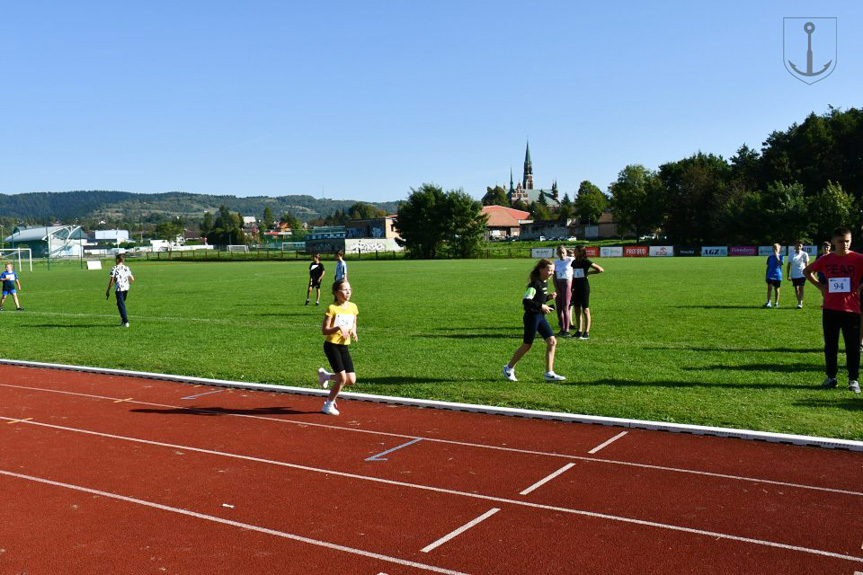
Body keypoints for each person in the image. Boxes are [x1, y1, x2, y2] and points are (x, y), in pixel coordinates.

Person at [803, 226, 863, 394]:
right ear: (833, 242)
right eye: (841, 242)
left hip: (852, 310)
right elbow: (807, 271)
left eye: (848, 241)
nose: (845, 245)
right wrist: (820, 286)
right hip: (830, 309)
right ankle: (831, 377)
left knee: (852, 347)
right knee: (831, 346)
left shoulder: (859, 258)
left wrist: (861, 287)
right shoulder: (826, 259)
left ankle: (853, 379)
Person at [502, 258, 566, 383]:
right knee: (527, 345)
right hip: (531, 317)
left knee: (552, 341)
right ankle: (508, 368)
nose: (551, 273)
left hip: (540, 317)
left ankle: (549, 373)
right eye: (549, 270)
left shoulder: (544, 283)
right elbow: (526, 301)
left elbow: (538, 299)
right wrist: (541, 306)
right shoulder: (535, 284)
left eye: (553, 271)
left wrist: (547, 298)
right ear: (541, 270)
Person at [317, 278, 359, 415]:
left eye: (349, 290)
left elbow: (354, 322)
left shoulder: (353, 307)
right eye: (344, 290)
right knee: (342, 379)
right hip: (332, 346)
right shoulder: (332, 308)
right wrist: (338, 328)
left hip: (343, 346)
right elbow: (324, 330)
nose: (348, 292)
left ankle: (326, 376)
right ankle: (328, 404)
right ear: (336, 292)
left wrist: (354, 330)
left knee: (351, 380)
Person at [570, 246, 604, 340]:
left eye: (576, 250)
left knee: (585, 309)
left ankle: (586, 332)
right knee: (577, 309)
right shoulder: (574, 262)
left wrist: (589, 273)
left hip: (584, 287)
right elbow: (573, 275)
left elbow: (600, 269)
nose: (574, 252)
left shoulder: (586, 261)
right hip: (576, 287)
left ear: (581, 252)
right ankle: (579, 331)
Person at [105, 253, 135, 327]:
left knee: (121, 305)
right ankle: (123, 321)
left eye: (116, 259)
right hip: (126, 288)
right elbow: (132, 279)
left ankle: (126, 321)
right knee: (120, 304)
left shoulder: (114, 268)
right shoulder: (126, 268)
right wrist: (127, 284)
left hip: (119, 289)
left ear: (118, 259)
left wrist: (108, 290)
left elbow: (111, 280)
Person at [553, 245, 574, 336]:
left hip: (567, 283)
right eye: (559, 253)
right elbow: (554, 276)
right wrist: (556, 288)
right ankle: (562, 327)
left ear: (566, 252)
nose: (562, 255)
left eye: (563, 253)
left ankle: (567, 329)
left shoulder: (570, 260)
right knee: (559, 308)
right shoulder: (556, 262)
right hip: (558, 284)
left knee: (566, 307)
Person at [786, 241, 810, 309]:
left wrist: (807, 274)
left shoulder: (804, 254)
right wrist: (788, 275)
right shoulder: (791, 254)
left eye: (800, 246)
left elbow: (807, 264)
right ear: (794, 246)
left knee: (801, 288)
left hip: (802, 274)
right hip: (794, 274)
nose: (798, 247)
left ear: (802, 247)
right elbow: (788, 265)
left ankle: (800, 303)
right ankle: (799, 300)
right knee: (796, 289)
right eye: (797, 245)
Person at [764, 243, 784, 308]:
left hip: (777, 275)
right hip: (770, 275)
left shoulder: (781, 257)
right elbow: (768, 267)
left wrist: (777, 256)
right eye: (773, 248)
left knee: (777, 289)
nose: (774, 250)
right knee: (769, 288)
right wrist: (766, 275)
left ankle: (776, 303)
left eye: (776, 248)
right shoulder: (770, 257)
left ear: (779, 250)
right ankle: (769, 302)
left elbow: (780, 264)